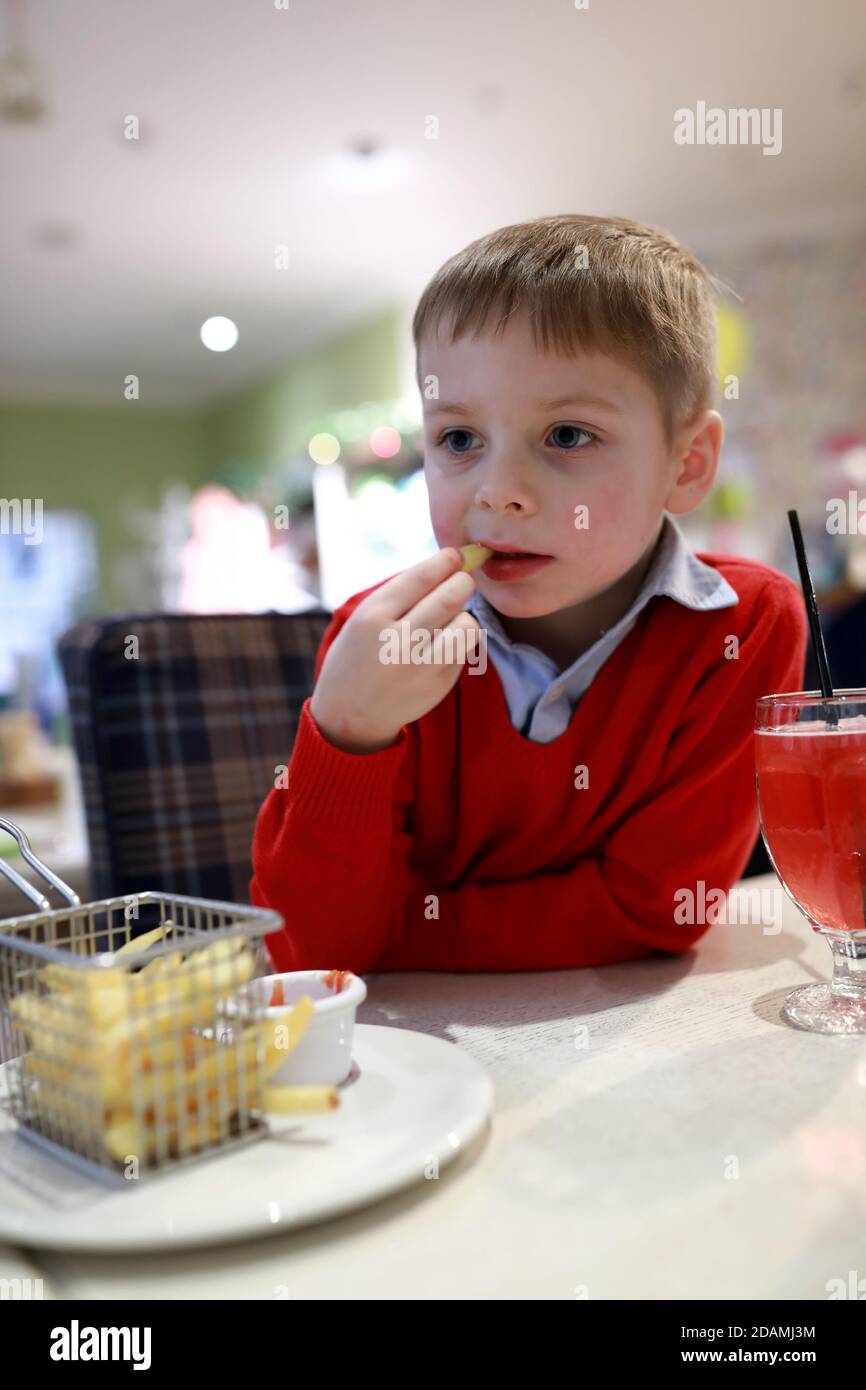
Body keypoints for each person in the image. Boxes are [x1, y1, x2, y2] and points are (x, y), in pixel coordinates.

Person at [251, 213, 807, 972]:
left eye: (568, 435)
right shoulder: (382, 639)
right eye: (458, 439)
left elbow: (659, 907)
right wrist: (350, 730)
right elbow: (311, 952)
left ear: (686, 464)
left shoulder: (745, 625)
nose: (498, 492)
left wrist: (395, 932)